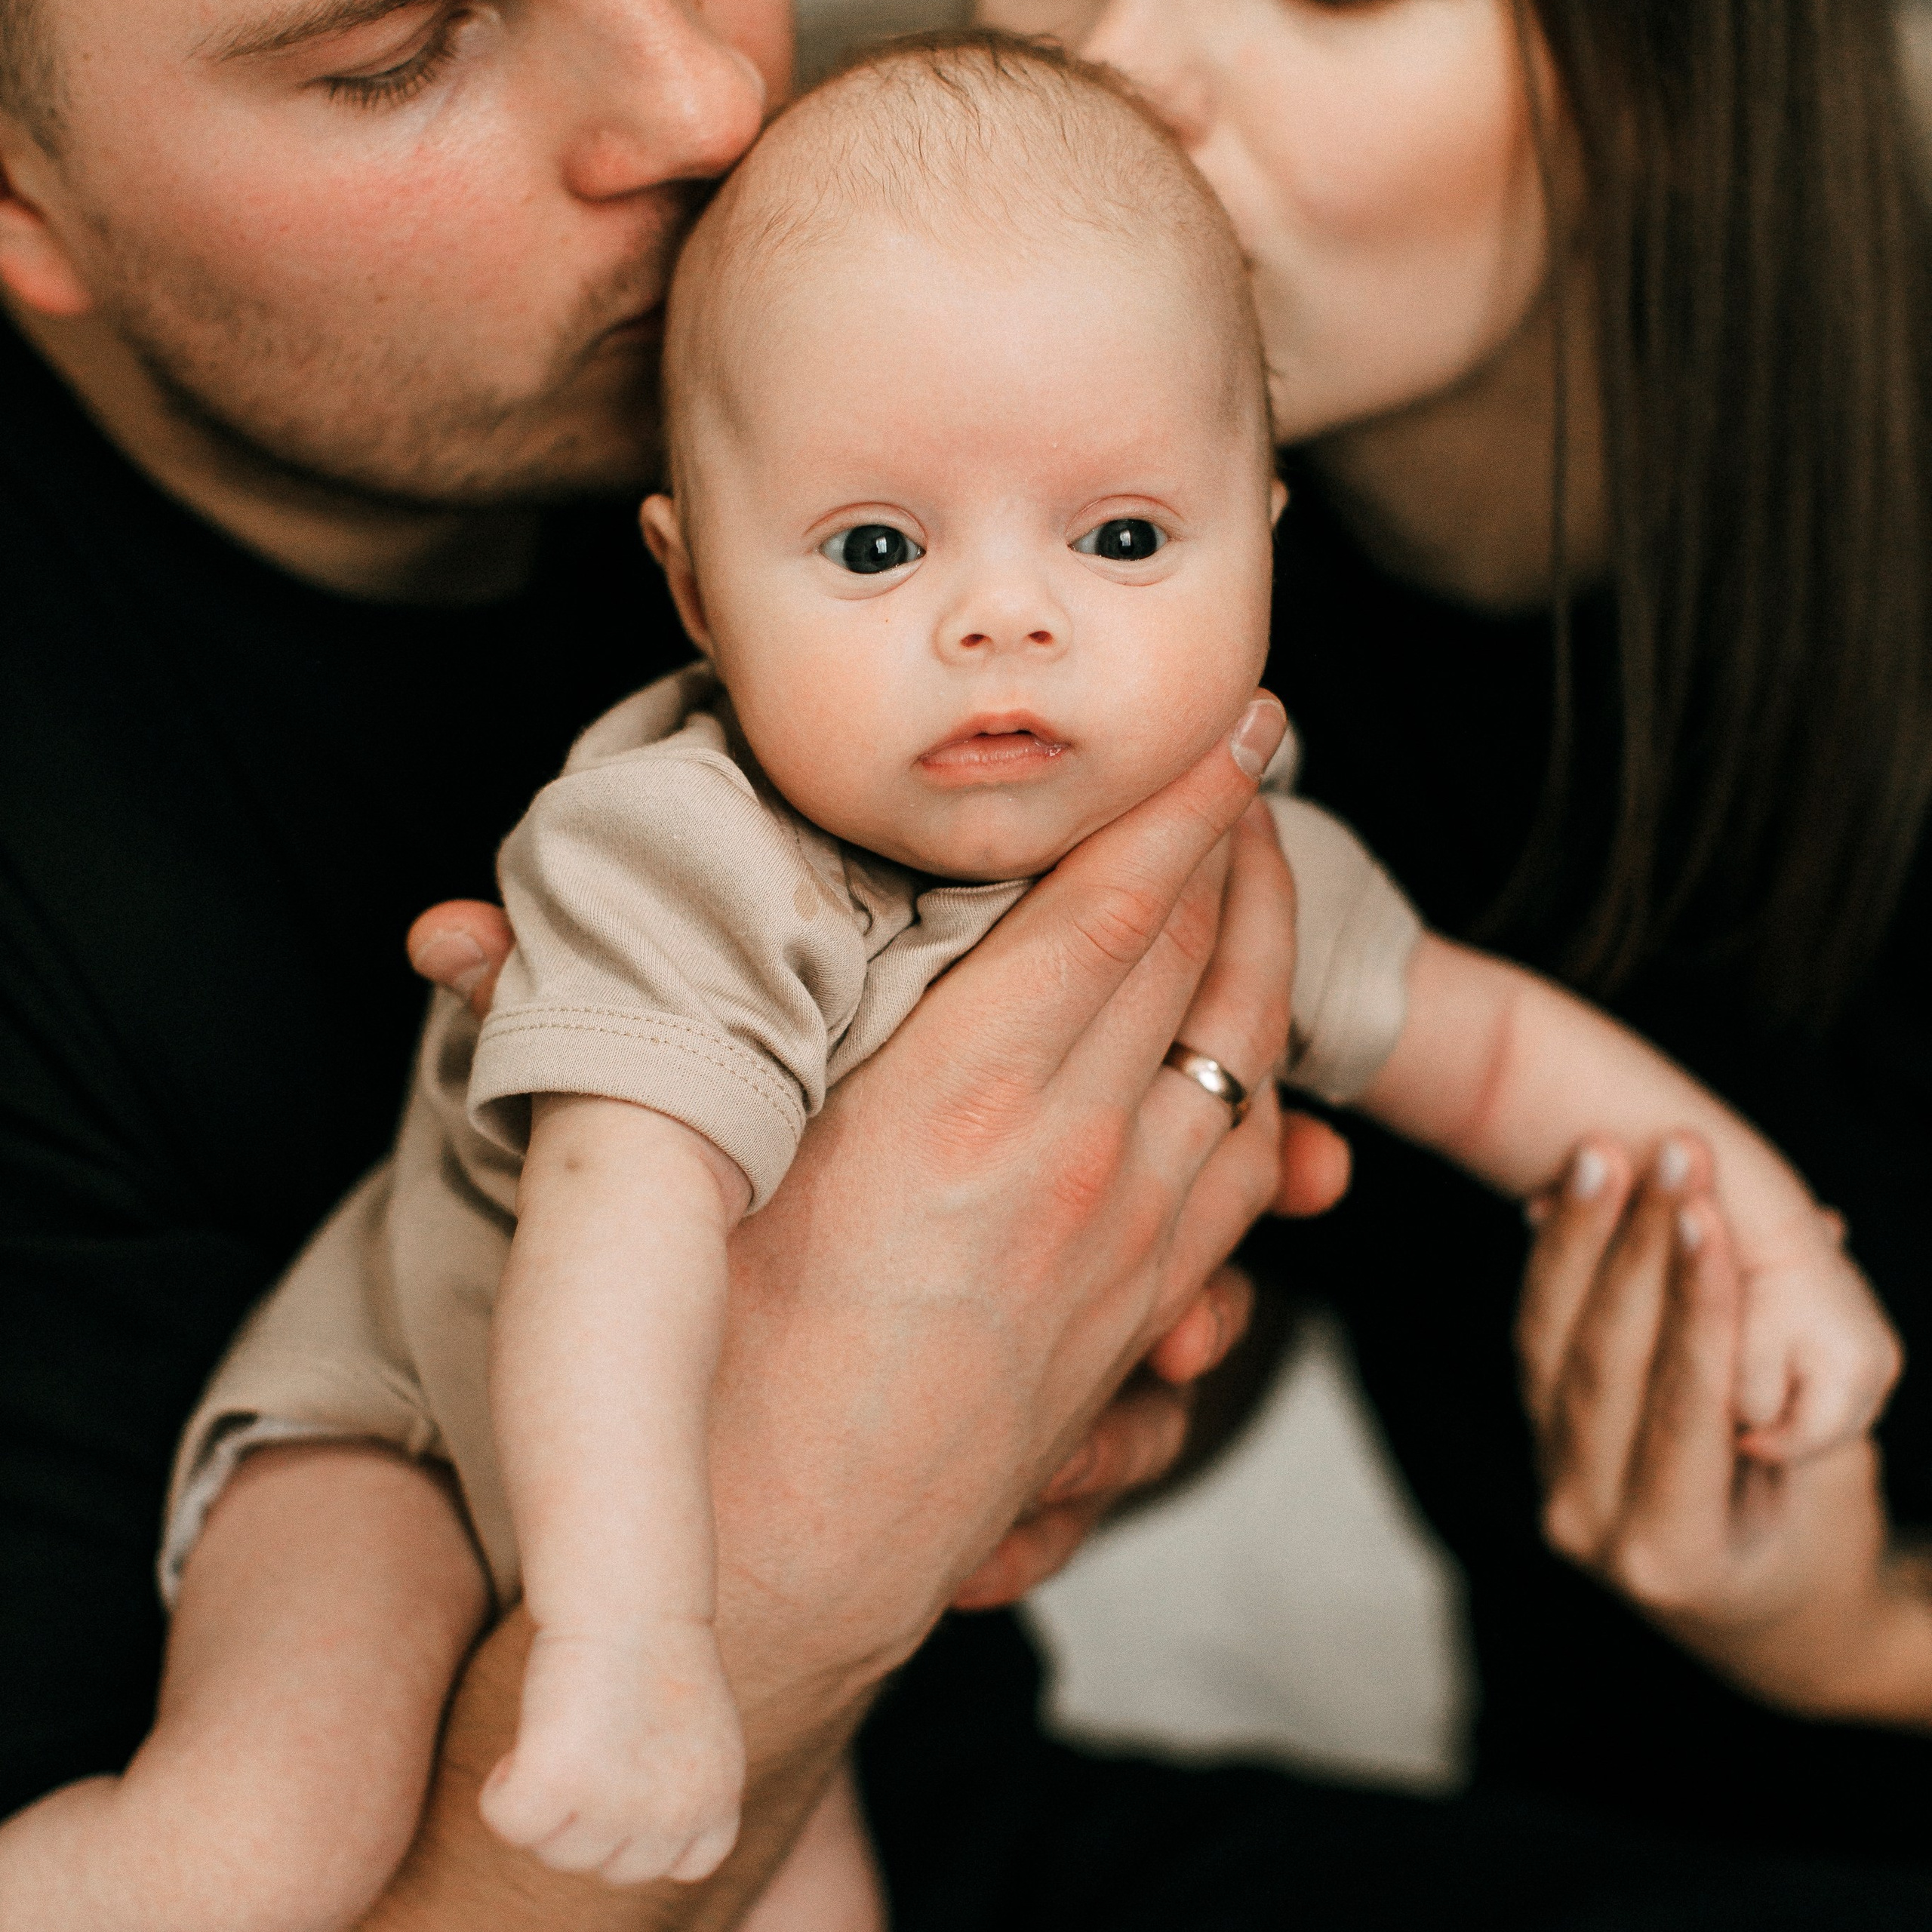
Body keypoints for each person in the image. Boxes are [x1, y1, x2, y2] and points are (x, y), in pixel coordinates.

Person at [0, 1, 1926, 1927]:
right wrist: (754, 1592)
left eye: (1113, 531)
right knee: (242, 1847)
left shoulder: (1144, 579)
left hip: (873, 1753)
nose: (704, 102)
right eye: (395, 46)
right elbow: (629, 1215)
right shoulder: (705, 780)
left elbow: (1474, 1056)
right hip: (453, 1488)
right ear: (700, 574)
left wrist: (1778, 1320)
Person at [959, 0, 1932, 1872]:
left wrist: (1851, 1633)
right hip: (1582, 1817)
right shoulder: (1075, 625)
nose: (1122, 59)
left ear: (1671, 79)